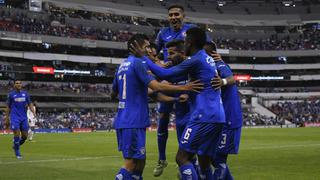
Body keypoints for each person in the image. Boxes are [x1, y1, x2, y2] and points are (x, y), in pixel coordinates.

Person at [133, 27, 225, 180]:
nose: (184, 43)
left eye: (185, 41)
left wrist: (144, 58)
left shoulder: (195, 60)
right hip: (218, 116)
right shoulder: (206, 59)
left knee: (182, 158)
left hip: (203, 116)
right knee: (204, 162)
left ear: (189, 42)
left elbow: (165, 74)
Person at [112, 34, 203, 180]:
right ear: (137, 47)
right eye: (147, 46)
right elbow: (156, 86)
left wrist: (133, 94)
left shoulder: (121, 66)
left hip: (124, 118)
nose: (150, 49)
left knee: (140, 163)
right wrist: (185, 87)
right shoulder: (139, 62)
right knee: (130, 164)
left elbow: (113, 93)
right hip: (133, 120)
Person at [153, 5, 200, 176]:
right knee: (163, 116)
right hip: (169, 79)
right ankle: (162, 159)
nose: (173, 17)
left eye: (176, 14)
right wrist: (159, 64)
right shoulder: (162, 33)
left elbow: (205, 50)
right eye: (170, 15)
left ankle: (187, 161)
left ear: (183, 16)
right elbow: (153, 53)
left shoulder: (192, 31)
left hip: (186, 78)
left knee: (185, 121)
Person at [204, 42, 243, 180]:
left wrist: (223, 82)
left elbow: (232, 78)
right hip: (219, 119)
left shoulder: (220, 65)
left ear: (212, 54)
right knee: (214, 158)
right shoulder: (208, 67)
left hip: (229, 119)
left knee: (219, 159)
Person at [5, 80, 36, 159]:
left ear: (21, 85)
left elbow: (30, 103)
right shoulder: (11, 95)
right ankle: (17, 152)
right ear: (14, 85)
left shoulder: (25, 94)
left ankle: (16, 145)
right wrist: (7, 118)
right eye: (16, 83)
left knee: (25, 136)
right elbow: (8, 107)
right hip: (14, 117)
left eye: (19, 83)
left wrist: (33, 111)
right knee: (17, 133)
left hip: (23, 117)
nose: (18, 84)